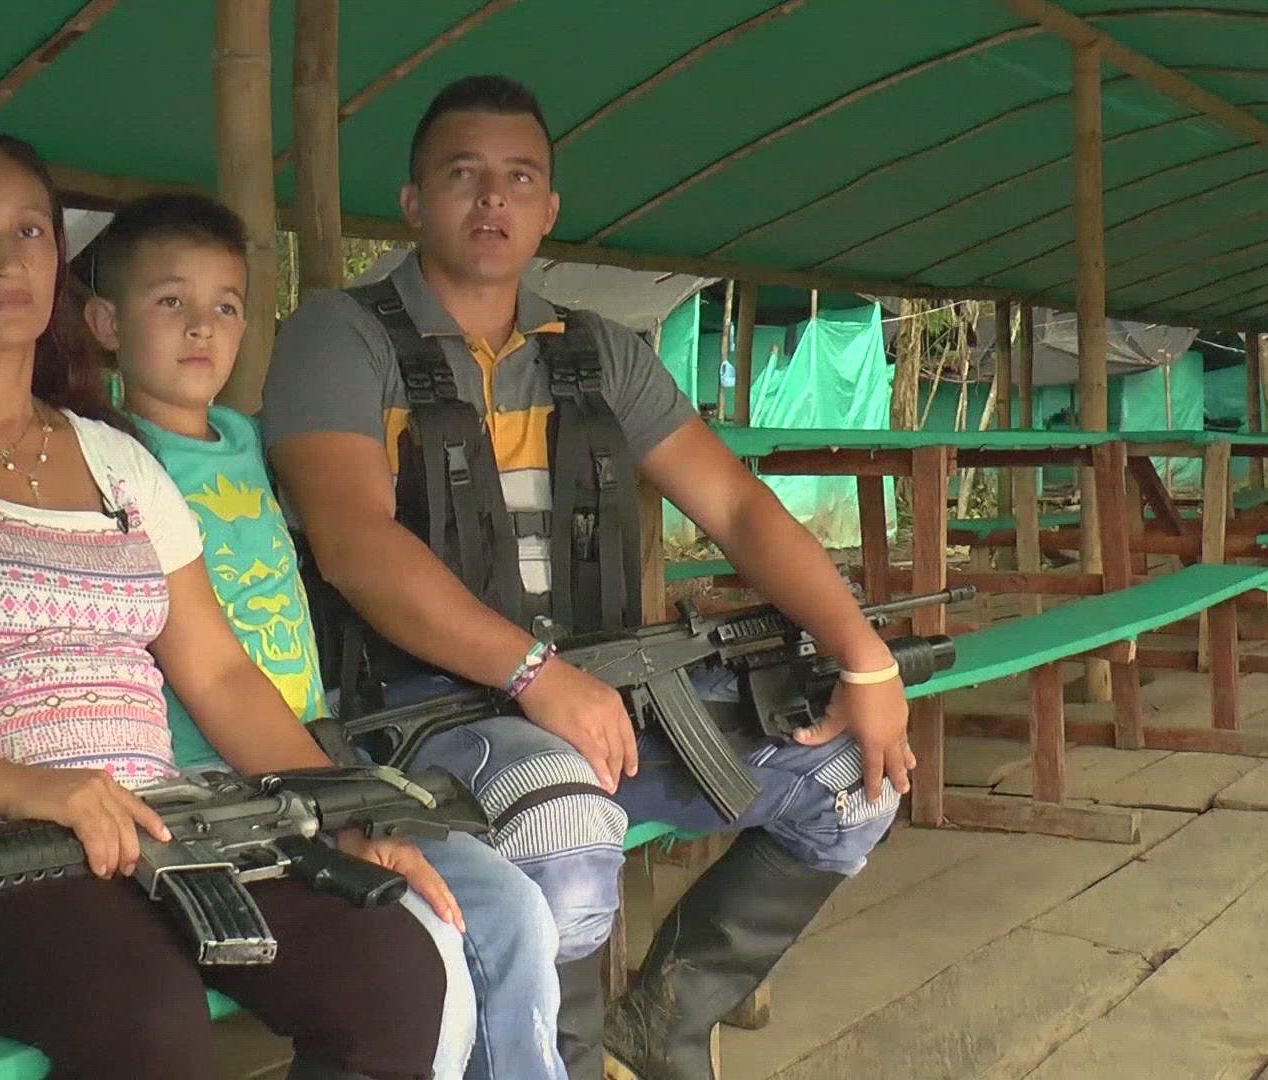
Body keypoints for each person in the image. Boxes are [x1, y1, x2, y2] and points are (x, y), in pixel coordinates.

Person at [0, 190, 565, 1079]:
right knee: (148, 1013)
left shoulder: (126, 457)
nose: (6, 257)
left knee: (399, 965)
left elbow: (222, 672)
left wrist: (345, 810)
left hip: (177, 816)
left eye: (30, 231)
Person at [261, 75, 913, 1080]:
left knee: (853, 782)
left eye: (519, 178)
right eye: (463, 175)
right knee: (566, 833)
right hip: (417, 711)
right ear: (414, 202)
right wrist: (534, 674)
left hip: (599, 692)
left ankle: (662, 1022)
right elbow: (353, 542)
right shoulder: (339, 336)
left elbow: (738, 508)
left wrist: (867, 663)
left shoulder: (599, 353)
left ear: (549, 208)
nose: (493, 198)